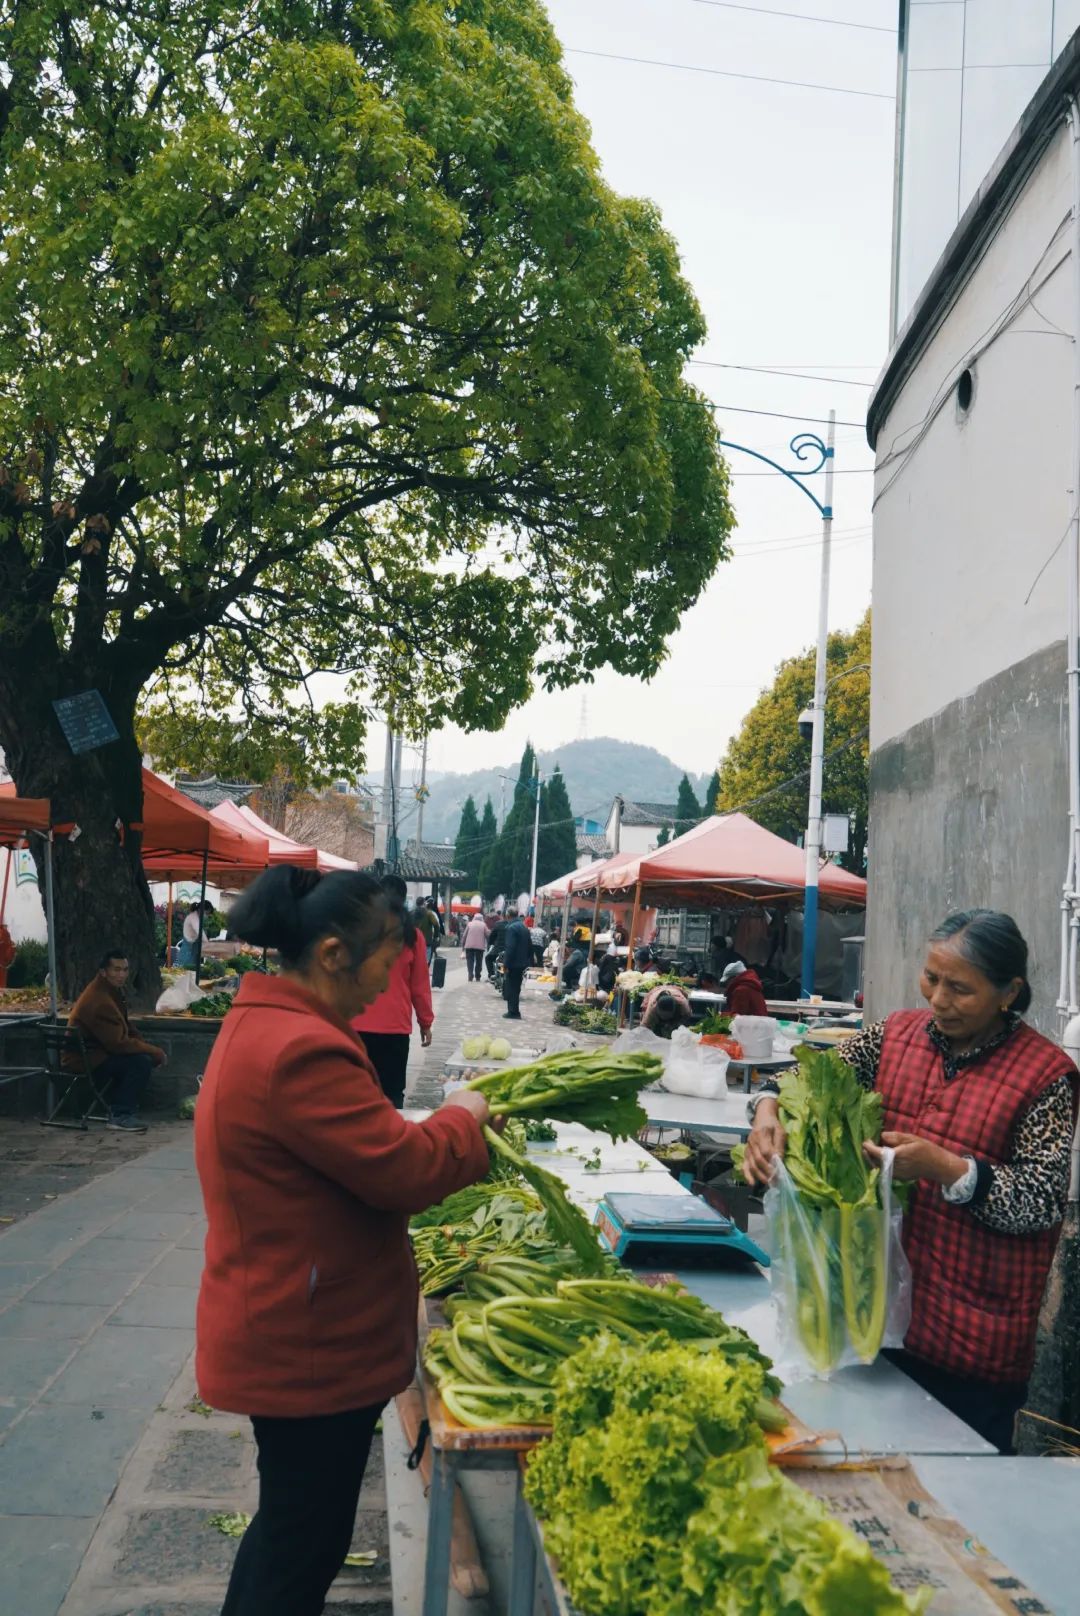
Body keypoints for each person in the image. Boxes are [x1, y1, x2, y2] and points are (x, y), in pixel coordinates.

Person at [194, 864, 494, 1615]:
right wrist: (464, 1114)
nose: (390, 979)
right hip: (307, 1340)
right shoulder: (302, 1049)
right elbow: (405, 1170)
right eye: (386, 960)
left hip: (294, 1319)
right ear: (332, 955)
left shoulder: (272, 1023)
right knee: (301, 1543)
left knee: (294, 1530)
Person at [741, 909, 1078, 1454]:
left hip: (971, 1349)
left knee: (958, 1494)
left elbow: (1039, 1201)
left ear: (1008, 992)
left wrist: (949, 1170)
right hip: (869, 1323)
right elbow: (803, 1075)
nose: (938, 999)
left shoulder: (1045, 1075)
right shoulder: (896, 1037)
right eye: (932, 978)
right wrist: (765, 1112)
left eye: (960, 989)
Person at [351, 875, 434, 1108]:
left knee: (356, 1091)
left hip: (356, 1023)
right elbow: (419, 985)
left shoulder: (359, 931)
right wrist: (425, 1022)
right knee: (391, 1093)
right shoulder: (412, 936)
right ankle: (390, 1139)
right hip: (394, 1028)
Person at [66, 950, 166, 1131]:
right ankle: (121, 1114)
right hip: (86, 1060)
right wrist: (153, 1051)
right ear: (103, 972)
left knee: (139, 1058)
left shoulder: (108, 992)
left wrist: (144, 1046)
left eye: (125, 970)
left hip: (94, 1053)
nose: (121, 975)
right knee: (139, 1063)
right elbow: (118, 1044)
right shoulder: (101, 1000)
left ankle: (121, 1110)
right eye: (116, 970)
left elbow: (125, 1026)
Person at [502, 907, 532, 1021]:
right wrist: (528, 960)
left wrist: (506, 963)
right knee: (516, 987)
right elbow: (530, 945)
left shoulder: (511, 928)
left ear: (508, 915)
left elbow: (510, 947)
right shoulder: (523, 926)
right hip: (522, 963)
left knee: (511, 987)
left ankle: (513, 1011)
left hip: (513, 963)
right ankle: (514, 1010)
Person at [461, 911, 489, 983]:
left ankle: (470, 975)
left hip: (469, 946)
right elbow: (487, 935)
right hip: (480, 947)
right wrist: (489, 943)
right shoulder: (483, 925)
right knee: (479, 962)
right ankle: (477, 976)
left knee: (470, 961)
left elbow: (464, 936)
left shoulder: (469, 924)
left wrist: (463, 945)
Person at [485, 912, 509, 982]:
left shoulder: (498, 924)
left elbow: (492, 937)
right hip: (510, 951)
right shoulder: (514, 925)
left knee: (488, 958)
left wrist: (491, 943)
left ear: (503, 916)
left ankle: (491, 975)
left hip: (498, 950)